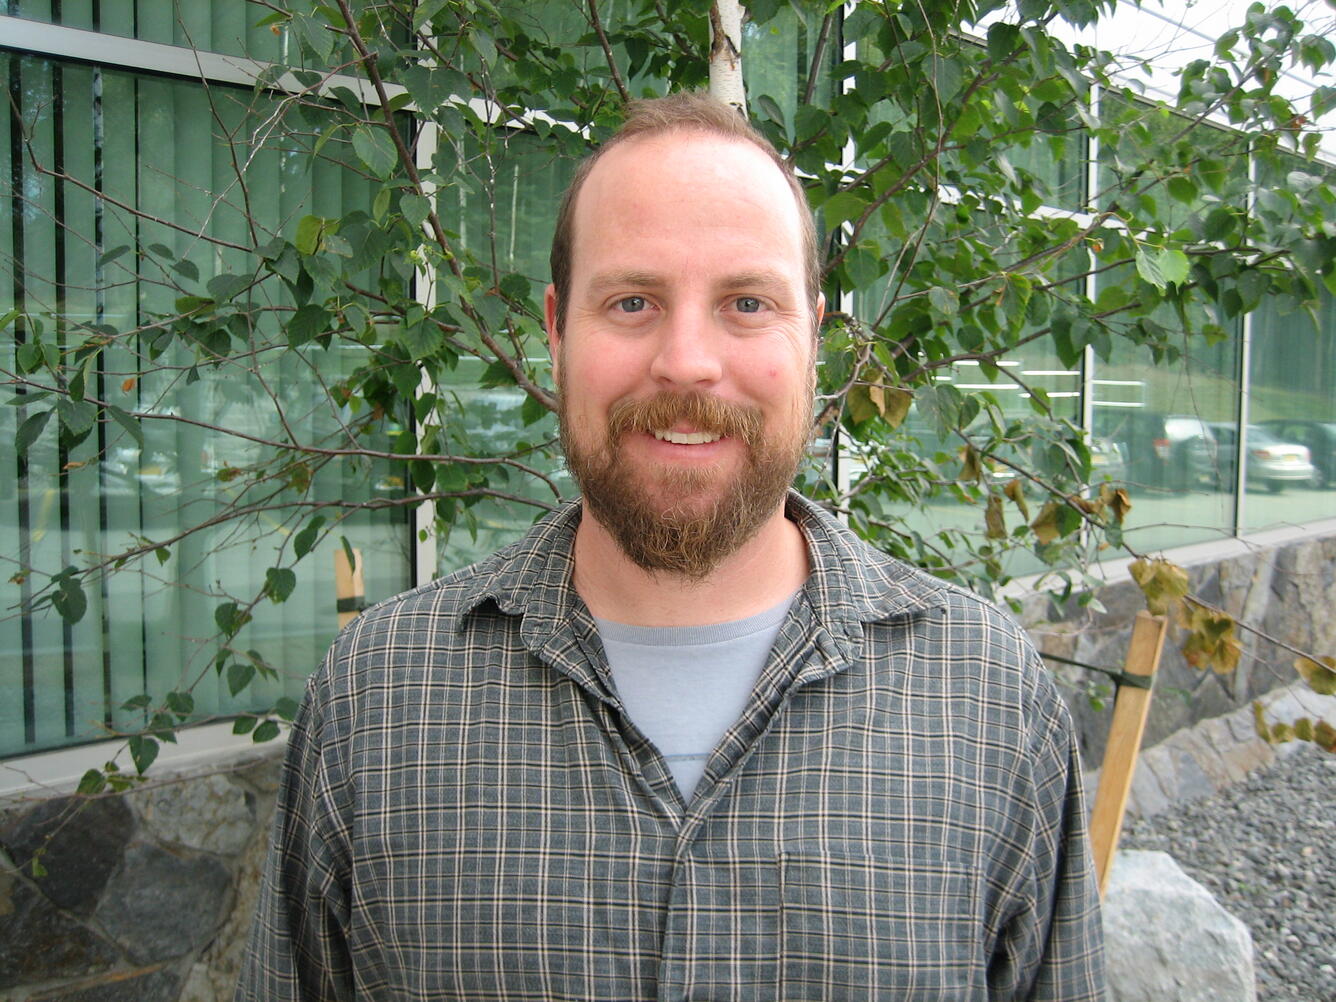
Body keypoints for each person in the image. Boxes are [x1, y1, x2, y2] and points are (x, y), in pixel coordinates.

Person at [236, 92, 1104, 1001]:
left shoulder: (990, 699)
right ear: (556, 330)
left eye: (746, 302)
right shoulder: (376, 701)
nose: (687, 360)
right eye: (634, 300)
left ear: (814, 338)